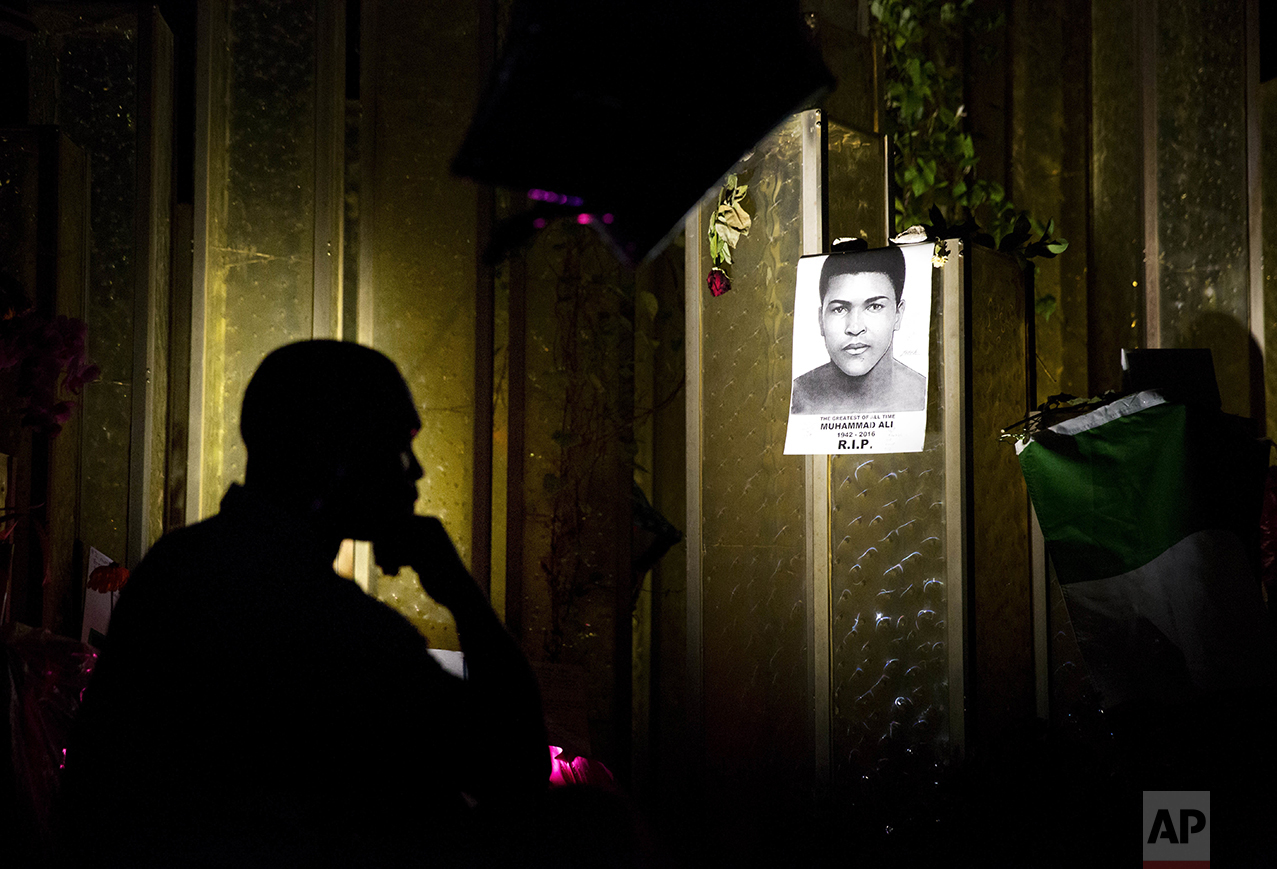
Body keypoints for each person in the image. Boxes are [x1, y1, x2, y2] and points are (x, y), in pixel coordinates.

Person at [57, 340, 547, 868]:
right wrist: (462, 595)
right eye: (398, 445)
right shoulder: (330, 624)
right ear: (337, 453)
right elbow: (515, 765)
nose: (417, 472)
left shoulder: (181, 562)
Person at [789, 245, 926, 414]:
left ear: (898, 314)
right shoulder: (795, 396)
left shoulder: (925, 394)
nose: (855, 328)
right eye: (839, 309)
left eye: (874, 306)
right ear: (820, 320)